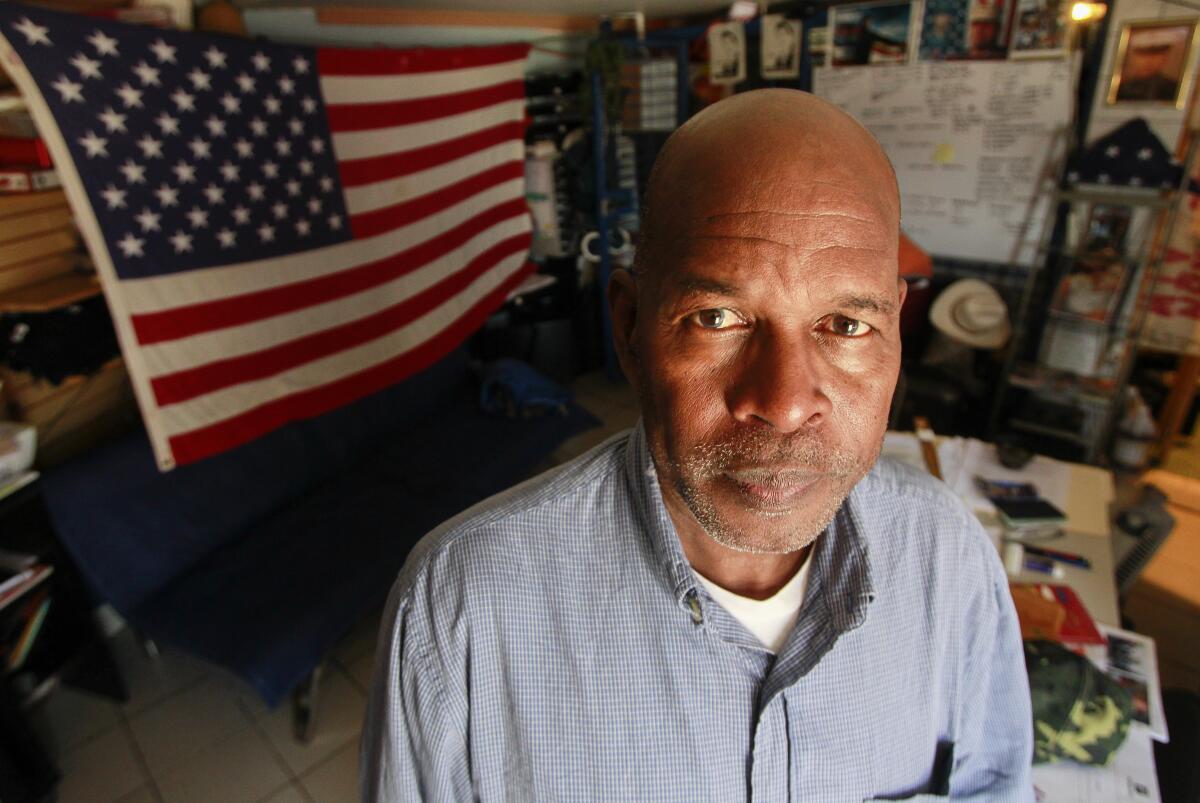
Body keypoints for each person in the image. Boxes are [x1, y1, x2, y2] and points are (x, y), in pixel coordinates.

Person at [361, 89, 1033, 801]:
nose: (782, 404)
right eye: (717, 317)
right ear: (629, 329)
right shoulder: (460, 609)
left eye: (845, 325)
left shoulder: (949, 558)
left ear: (897, 328)